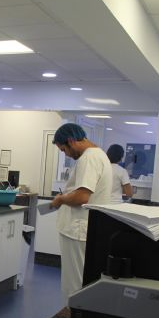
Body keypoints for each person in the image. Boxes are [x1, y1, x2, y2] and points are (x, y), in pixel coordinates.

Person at [50, 124, 112, 305]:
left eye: (63, 150)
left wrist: (60, 199)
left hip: (77, 228)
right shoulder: (100, 154)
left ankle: (75, 314)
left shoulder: (88, 158)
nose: (66, 154)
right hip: (87, 227)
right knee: (83, 276)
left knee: (75, 280)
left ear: (70, 141)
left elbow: (82, 196)